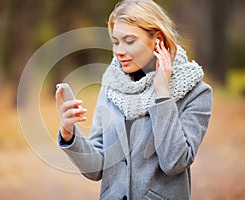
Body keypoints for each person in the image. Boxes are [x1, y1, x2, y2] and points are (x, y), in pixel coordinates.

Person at [55, 0, 212, 199]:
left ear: (158, 40)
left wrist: (162, 93)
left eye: (129, 41)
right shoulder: (112, 85)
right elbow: (96, 169)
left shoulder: (196, 92)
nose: (119, 51)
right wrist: (69, 133)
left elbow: (175, 162)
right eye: (115, 42)